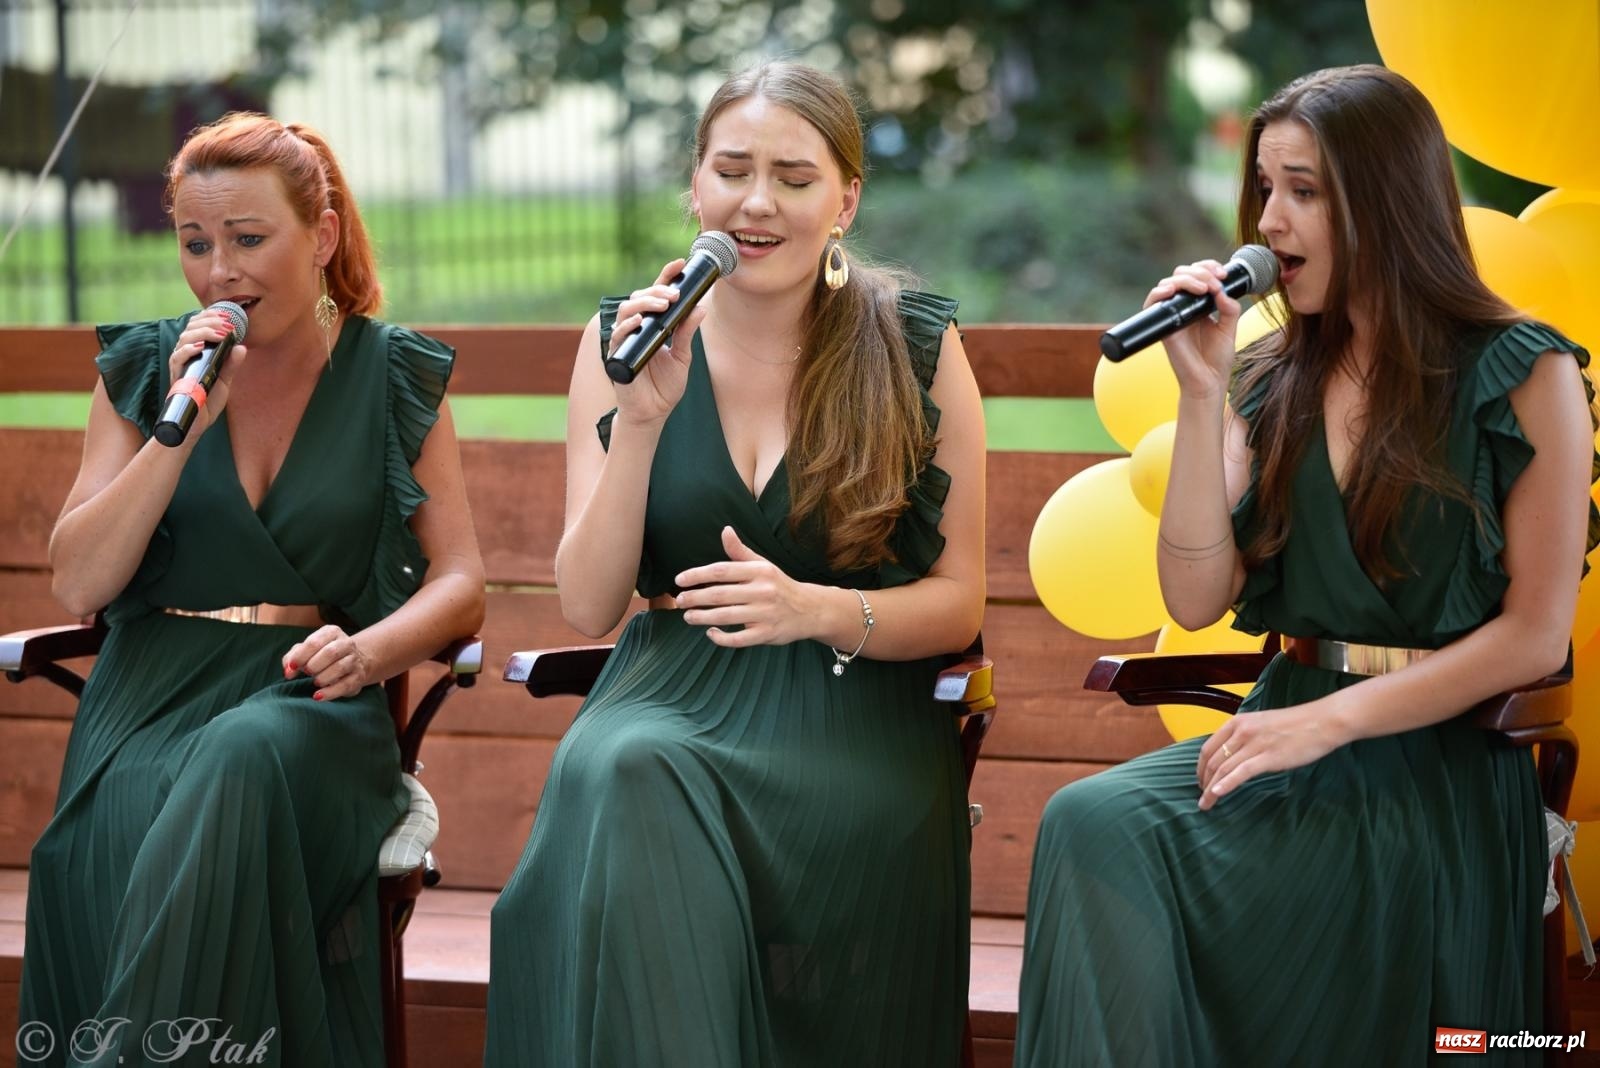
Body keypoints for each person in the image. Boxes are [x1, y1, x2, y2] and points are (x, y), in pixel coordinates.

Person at [1017, 65, 1596, 1066]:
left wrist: (1325, 722)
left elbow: (1533, 636)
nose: (1269, 222)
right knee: (1090, 822)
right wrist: (1199, 396)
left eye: (1305, 191)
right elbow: (1195, 599)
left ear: (1388, 199)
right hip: (1284, 737)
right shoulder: (1263, 379)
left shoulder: (1528, 373)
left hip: (1440, 765)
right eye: (1264, 187)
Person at [484, 61, 987, 1066]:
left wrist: (819, 611)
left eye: (794, 178)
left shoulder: (914, 347)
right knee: (633, 768)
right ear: (695, 185)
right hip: (666, 692)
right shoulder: (621, 339)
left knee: (640, 777)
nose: (757, 203)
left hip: (847, 711)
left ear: (844, 200)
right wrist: (638, 423)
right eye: (732, 170)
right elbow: (587, 604)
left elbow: (958, 600)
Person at [20, 113, 485, 1066]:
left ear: (320, 237)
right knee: (129, 818)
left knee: (241, 754)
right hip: (148, 694)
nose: (220, 270)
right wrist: (177, 429)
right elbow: (80, 579)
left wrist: (374, 650)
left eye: (248, 239)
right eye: (197, 243)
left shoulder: (391, 372)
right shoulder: (146, 371)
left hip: (311, 693)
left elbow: (462, 582)